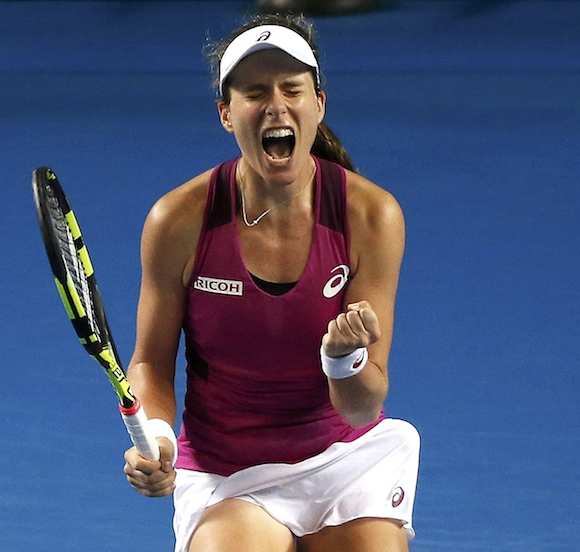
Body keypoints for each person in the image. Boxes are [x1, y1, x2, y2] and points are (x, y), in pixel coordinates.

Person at [123, 13, 419, 552]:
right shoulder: (178, 220)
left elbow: (362, 406)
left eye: (291, 89)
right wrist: (157, 437)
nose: (276, 105)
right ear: (226, 114)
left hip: (342, 459)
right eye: (255, 92)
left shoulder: (372, 215)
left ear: (319, 104)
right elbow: (150, 361)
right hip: (227, 471)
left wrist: (342, 360)